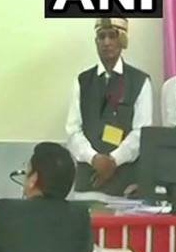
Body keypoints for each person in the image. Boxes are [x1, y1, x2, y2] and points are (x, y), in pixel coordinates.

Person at [65, 18, 153, 197]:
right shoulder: (83, 81)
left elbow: (142, 133)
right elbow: (73, 130)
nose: (106, 42)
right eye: (101, 36)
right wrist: (94, 158)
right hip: (88, 182)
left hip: (125, 185)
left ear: (122, 40)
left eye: (112, 36)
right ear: (95, 41)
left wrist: (114, 160)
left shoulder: (140, 81)